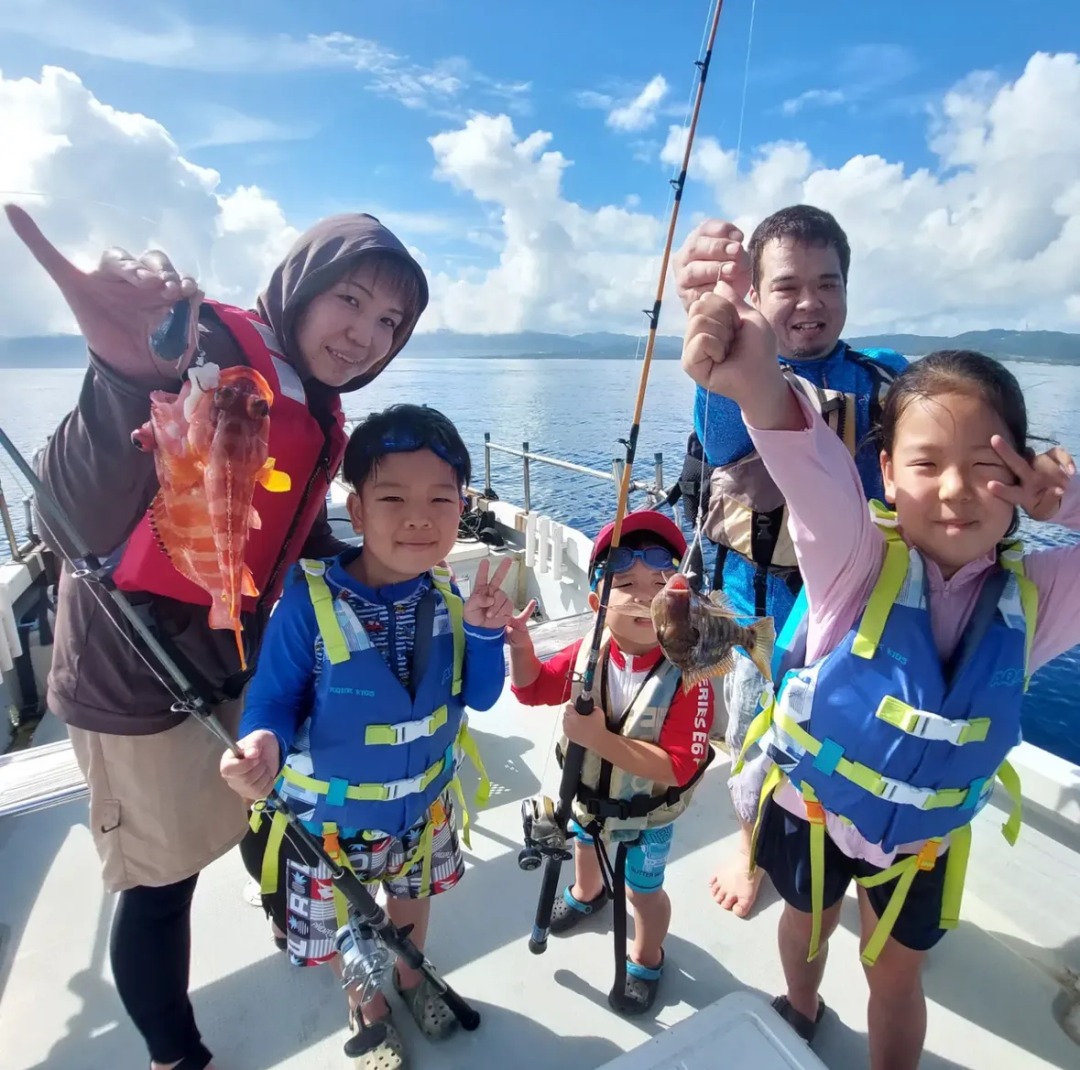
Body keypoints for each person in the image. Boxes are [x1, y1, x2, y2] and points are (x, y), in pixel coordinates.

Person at [4, 203, 429, 1070]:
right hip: (133, 676)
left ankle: (284, 915)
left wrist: (385, 560)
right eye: (349, 300)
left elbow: (294, 534)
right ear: (300, 287)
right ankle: (174, 1054)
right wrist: (125, 369)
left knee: (253, 816)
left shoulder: (317, 403)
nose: (366, 335)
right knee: (160, 887)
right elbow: (68, 511)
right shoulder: (207, 354)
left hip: (236, 660)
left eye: (389, 322)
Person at [682, 276, 1080, 1068]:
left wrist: (1069, 505)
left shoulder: (1039, 597)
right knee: (806, 924)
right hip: (812, 813)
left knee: (898, 980)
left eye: (987, 466)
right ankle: (799, 1005)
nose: (957, 490)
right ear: (888, 475)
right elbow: (804, 460)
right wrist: (755, 376)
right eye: (927, 464)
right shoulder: (852, 559)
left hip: (921, 846)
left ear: (1024, 477)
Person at [221, 403, 514, 1069]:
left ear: (461, 505)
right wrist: (262, 744)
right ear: (355, 510)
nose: (419, 517)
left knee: (410, 905)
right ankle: (367, 1005)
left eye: (441, 497)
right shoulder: (308, 601)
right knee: (341, 938)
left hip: (420, 810)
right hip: (326, 823)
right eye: (393, 497)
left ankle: (411, 978)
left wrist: (489, 634)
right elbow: (271, 700)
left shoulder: (449, 594)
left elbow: (482, 695)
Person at [671, 205, 909, 919]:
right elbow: (720, 444)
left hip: (860, 609)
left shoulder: (886, 376)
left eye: (827, 284)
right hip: (760, 609)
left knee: (856, 737)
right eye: (787, 287)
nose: (810, 303)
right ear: (755, 295)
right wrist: (720, 328)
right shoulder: (728, 374)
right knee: (752, 735)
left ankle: (865, 853)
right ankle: (752, 850)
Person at [508, 510, 717, 1017]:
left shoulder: (691, 676)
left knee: (644, 894)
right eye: (626, 583)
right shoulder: (588, 654)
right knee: (582, 844)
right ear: (598, 602)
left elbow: (679, 767)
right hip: (587, 800)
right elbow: (533, 688)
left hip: (646, 818)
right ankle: (587, 892)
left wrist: (598, 738)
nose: (645, 596)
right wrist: (520, 647)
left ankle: (647, 958)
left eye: (661, 583)